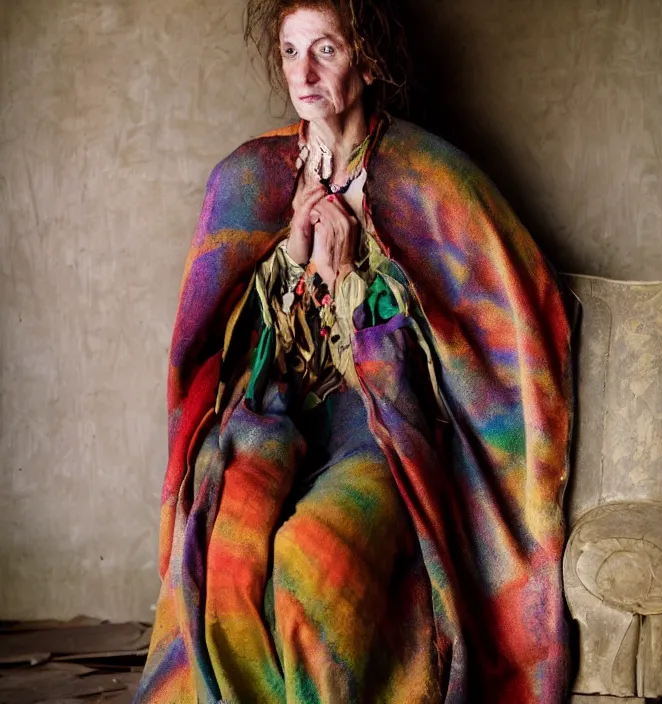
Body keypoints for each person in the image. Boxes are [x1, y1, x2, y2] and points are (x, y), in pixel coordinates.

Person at [134, 1, 574, 702]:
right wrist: (290, 259)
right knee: (227, 546)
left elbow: (505, 334)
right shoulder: (250, 177)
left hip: (381, 428)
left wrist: (353, 286)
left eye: (325, 51)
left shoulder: (432, 178)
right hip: (271, 415)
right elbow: (221, 346)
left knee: (312, 560)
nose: (302, 74)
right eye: (288, 52)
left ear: (367, 63)